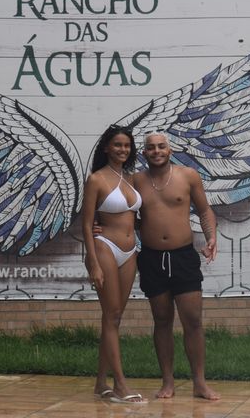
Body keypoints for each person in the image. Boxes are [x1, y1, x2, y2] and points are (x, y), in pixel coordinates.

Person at [134, 131, 220, 401]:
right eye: (151, 148)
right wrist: (101, 226)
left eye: (161, 146)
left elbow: (204, 210)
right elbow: (122, 215)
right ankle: (167, 382)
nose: (156, 151)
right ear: (144, 153)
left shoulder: (188, 176)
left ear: (169, 150)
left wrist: (211, 236)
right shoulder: (136, 181)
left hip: (183, 256)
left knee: (192, 320)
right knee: (162, 321)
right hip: (152, 258)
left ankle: (199, 383)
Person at [81, 125, 145, 404]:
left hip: (130, 251)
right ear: (107, 147)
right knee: (111, 314)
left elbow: (135, 217)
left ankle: (100, 383)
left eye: (127, 145)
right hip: (104, 247)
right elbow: (86, 224)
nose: (122, 149)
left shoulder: (131, 179)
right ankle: (120, 385)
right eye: (117, 144)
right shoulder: (96, 179)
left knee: (115, 317)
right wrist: (93, 263)